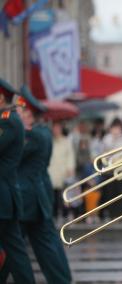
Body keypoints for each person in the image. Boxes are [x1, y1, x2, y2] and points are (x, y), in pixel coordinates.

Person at [12, 86, 72, 283]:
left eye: (18, 112)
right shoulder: (40, 133)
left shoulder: (35, 135)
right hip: (35, 200)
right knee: (42, 245)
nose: (14, 116)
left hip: (29, 200)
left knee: (16, 245)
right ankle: (62, 279)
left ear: (28, 113)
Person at [0, 78, 35, 283]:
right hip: (5, 198)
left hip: (3, 197)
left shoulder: (7, 121)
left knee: (14, 251)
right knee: (14, 250)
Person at [100, 118, 122, 219]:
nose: (116, 130)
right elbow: (104, 154)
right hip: (109, 170)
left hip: (121, 170)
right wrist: (113, 139)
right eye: (114, 127)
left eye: (118, 127)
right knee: (111, 193)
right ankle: (112, 214)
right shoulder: (107, 138)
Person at [49, 121, 76, 220]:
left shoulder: (66, 141)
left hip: (63, 171)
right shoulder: (50, 141)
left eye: (57, 128)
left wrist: (70, 168)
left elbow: (70, 156)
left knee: (64, 195)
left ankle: (65, 214)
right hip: (52, 171)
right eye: (54, 128)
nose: (56, 130)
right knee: (53, 195)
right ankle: (54, 214)